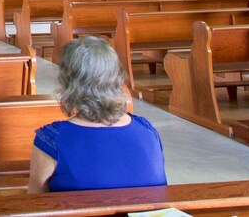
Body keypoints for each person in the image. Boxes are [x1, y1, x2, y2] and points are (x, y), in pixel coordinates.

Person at [29, 36, 166, 193]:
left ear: (67, 81)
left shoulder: (52, 139)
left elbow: (36, 203)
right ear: (117, 77)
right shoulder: (147, 131)